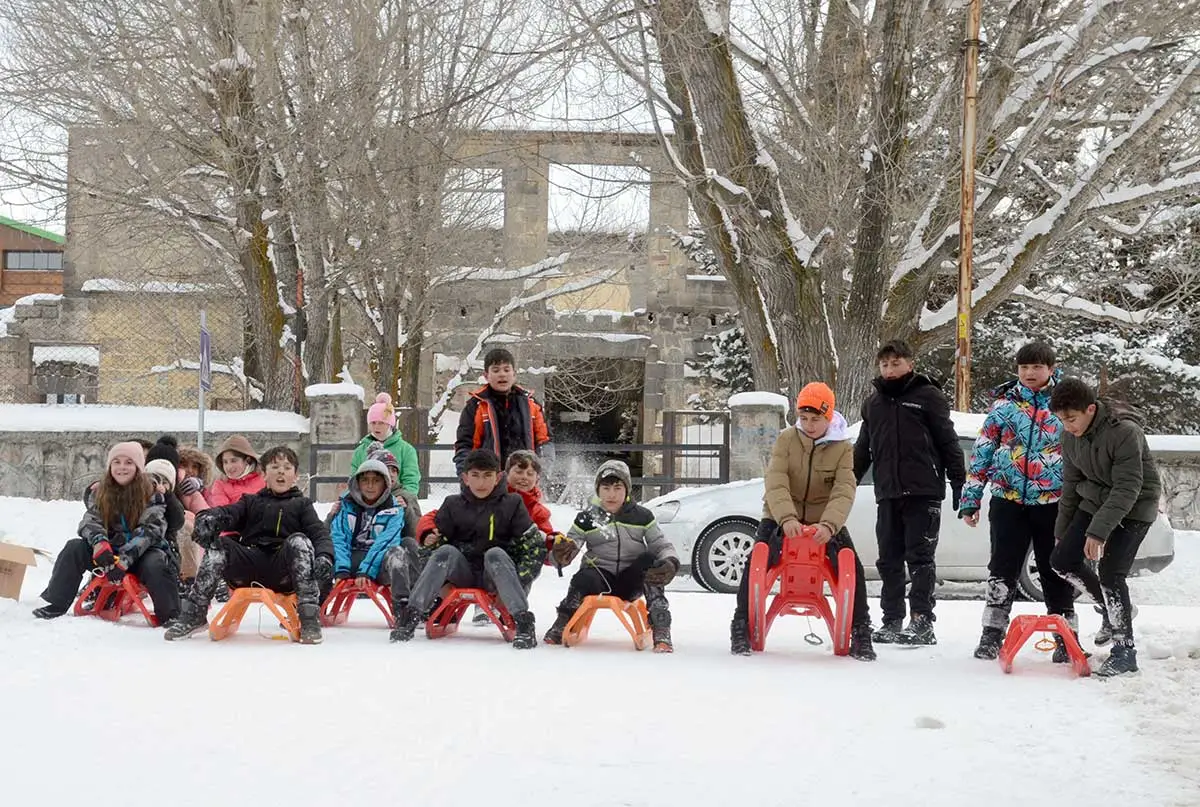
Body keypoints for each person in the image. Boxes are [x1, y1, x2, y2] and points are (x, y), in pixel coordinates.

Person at [727, 383, 876, 660]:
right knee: (758, 557)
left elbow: (844, 488)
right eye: (804, 418)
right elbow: (776, 480)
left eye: (815, 419)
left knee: (850, 565)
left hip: (823, 519)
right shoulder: (786, 439)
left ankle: (861, 630)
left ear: (828, 417)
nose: (808, 425)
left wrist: (829, 525)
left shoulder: (843, 448)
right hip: (781, 515)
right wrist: (786, 517)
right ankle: (741, 624)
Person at [959, 341, 1077, 661]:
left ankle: (1066, 635)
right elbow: (983, 451)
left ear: (1051, 370)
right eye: (1024, 367)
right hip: (1007, 499)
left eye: (1037, 367)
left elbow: (1081, 454)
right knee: (1002, 566)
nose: (1029, 373)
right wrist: (971, 499)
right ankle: (992, 633)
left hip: (1053, 501)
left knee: (1055, 569)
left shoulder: (1066, 404)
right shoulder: (1004, 406)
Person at [854, 339, 966, 646]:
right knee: (888, 559)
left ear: (910, 363)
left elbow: (948, 442)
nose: (890, 370)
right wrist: (846, 483)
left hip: (923, 492)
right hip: (888, 493)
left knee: (920, 558)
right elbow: (863, 449)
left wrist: (958, 482)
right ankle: (891, 619)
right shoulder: (873, 404)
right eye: (885, 365)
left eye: (896, 363)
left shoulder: (928, 396)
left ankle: (922, 621)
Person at [163, 446, 334, 645]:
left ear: (295, 476)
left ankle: (308, 617)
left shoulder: (302, 505)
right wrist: (210, 518)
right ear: (264, 474)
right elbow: (229, 513)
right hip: (249, 565)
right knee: (221, 545)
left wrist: (325, 556)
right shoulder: (251, 502)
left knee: (300, 541)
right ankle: (195, 612)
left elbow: (319, 534)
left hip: (283, 571)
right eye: (275, 467)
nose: (280, 471)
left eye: (287, 468)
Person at [1049, 378, 1162, 677]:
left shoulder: (1124, 432)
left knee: (1111, 573)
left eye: (1071, 419)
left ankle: (1124, 651)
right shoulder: (1070, 437)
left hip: (1136, 505)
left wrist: (1097, 532)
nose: (1067, 426)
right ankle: (1108, 606)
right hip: (1096, 499)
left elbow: (1128, 487)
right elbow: (1071, 485)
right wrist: (1062, 530)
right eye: (1061, 420)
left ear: (1090, 409)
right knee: (1061, 561)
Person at [390, 449, 544, 648]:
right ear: (465, 477)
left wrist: (519, 581)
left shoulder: (512, 504)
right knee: (445, 552)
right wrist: (441, 584)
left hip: (497, 575)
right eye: (475, 476)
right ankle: (411, 615)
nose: (481, 483)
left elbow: (534, 548)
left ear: (498, 478)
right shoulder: (453, 504)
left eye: (487, 476)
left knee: (495, 553)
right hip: (463, 572)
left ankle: (522, 621)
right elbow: (431, 549)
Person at [34, 442, 179, 624]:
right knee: (74, 548)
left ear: (138, 467)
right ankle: (57, 603)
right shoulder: (100, 491)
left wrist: (125, 560)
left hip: (140, 554)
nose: (122, 467)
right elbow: (91, 520)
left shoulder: (151, 492)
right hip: (108, 554)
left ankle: (171, 615)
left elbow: (151, 530)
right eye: (116, 462)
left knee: (156, 563)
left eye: (128, 462)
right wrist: (99, 543)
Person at [546, 459, 678, 653]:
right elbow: (570, 546)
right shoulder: (587, 518)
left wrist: (670, 562)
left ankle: (661, 625)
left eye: (617, 488)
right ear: (598, 491)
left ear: (627, 490)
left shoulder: (642, 516)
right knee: (583, 577)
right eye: (606, 488)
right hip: (599, 578)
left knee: (650, 560)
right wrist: (561, 554)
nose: (611, 495)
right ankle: (564, 620)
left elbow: (660, 544)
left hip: (631, 581)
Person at [328, 458, 424, 624]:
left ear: (385, 484)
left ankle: (401, 607)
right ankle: (313, 605)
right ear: (357, 483)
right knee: (322, 555)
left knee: (397, 554)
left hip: (379, 563)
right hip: (351, 557)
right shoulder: (346, 505)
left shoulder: (395, 508)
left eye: (376, 481)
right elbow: (339, 537)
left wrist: (366, 571)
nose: (370, 486)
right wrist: (341, 569)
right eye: (365, 480)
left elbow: (386, 542)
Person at [453, 348, 554, 474]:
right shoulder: (476, 406)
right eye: (496, 370)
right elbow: (465, 446)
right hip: (489, 482)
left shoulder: (531, 405)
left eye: (507, 370)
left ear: (514, 374)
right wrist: (466, 477)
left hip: (524, 480)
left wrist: (541, 472)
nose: (502, 374)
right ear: (486, 375)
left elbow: (544, 441)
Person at [350, 393, 420, 492]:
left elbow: (411, 481)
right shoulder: (360, 451)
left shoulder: (406, 450)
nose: (376, 427)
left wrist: (405, 498)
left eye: (381, 423)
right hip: (366, 502)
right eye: (373, 423)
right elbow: (353, 480)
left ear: (390, 424)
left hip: (396, 500)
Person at [209, 435, 265, 506]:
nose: (229, 467)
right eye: (225, 462)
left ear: (247, 460)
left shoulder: (264, 479)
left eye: (234, 461)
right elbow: (222, 511)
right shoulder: (220, 484)